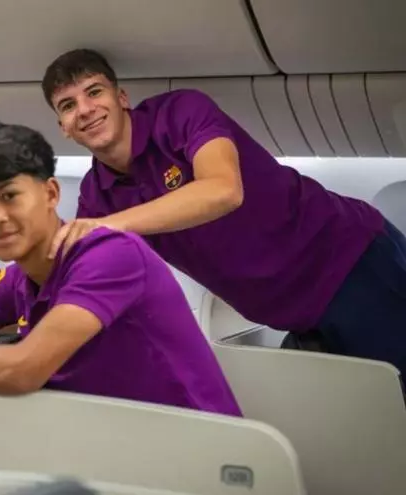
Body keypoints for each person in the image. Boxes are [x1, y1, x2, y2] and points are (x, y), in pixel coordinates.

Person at [42, 48, 406, 373]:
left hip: (348, 263)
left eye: (94, 92)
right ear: (63, 128)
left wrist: (110, 226)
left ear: (121, 97)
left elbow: (224, 190)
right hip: (291, 312)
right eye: (68, 105)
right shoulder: (96, 195)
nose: (85, 109)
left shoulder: (179, 113)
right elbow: (85, 273)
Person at [0, 123, 242, 417]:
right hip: (112, 439)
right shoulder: (19, 279)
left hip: (196, 446)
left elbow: (23, 369)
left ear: (51, 193)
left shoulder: (108, 256)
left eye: (9, 196)